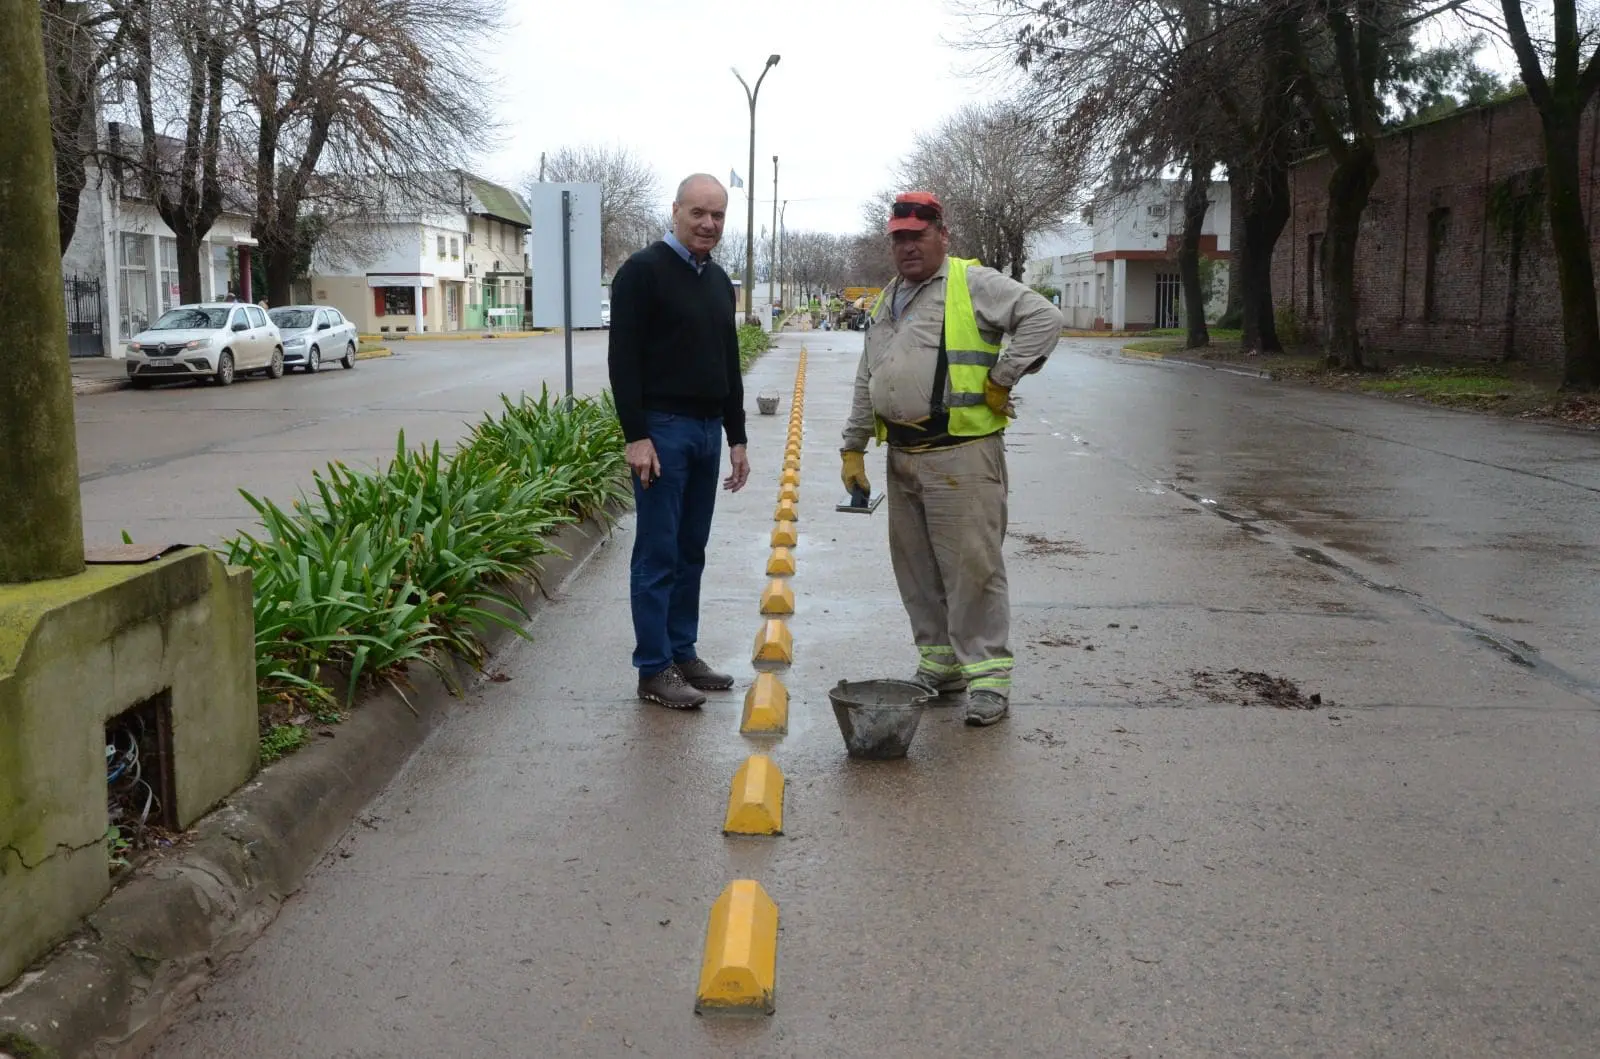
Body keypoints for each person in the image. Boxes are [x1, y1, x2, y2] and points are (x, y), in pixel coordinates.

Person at [839, 191, 1063, 727]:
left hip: (961, 455)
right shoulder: (888, 297)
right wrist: (853, 445)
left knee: (972, 571)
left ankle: (987, 679)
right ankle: (940, 665)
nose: (907, 247)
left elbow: (1043, 317)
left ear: (942, 235)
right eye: (899, 238)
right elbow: (869, 374)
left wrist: (1002, 377)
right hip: (904, 455)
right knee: (917, 572)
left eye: (917, 236)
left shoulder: (972, 282)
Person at [609, 173, 751, 709]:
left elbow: (728, 364)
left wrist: (736, 437)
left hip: (706, 431)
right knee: (658, 552)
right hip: (662, 431)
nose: (708, 224)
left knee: (691, 550)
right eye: (698, 212)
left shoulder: (717, 280)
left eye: (718, 215)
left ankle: (681, 652)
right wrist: (636, 437)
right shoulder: (642, 272)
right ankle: (653, 668)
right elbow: (623, 361)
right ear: (675, 211)